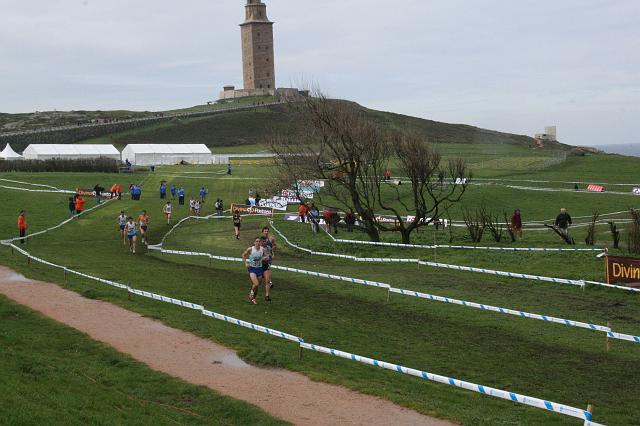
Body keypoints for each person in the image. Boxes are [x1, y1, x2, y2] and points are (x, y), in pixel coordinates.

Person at [242, 237, 269, 305]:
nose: (258, 242)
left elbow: (266, 257)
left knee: (257, 286)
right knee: (256, 284)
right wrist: (246, 263)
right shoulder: (250, 249)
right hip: (252, 268)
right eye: (256, 241)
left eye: (259, 241)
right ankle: (251, 293)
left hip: (259, 269)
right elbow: (243, 255)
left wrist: (265, 258)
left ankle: (253, 298)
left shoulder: (262, 249)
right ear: (254, 242)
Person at [261, 226, 277, 299]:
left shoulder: (271, 239)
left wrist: (271, 251)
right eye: (265, 231)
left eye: (267, 231)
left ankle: (269, 282)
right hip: (262, 256)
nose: (266, 232)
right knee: (264, 270)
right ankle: (269, 282)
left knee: (267, 268)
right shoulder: (261, 239)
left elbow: (275, 245)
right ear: (263, 232)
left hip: (269, 256)